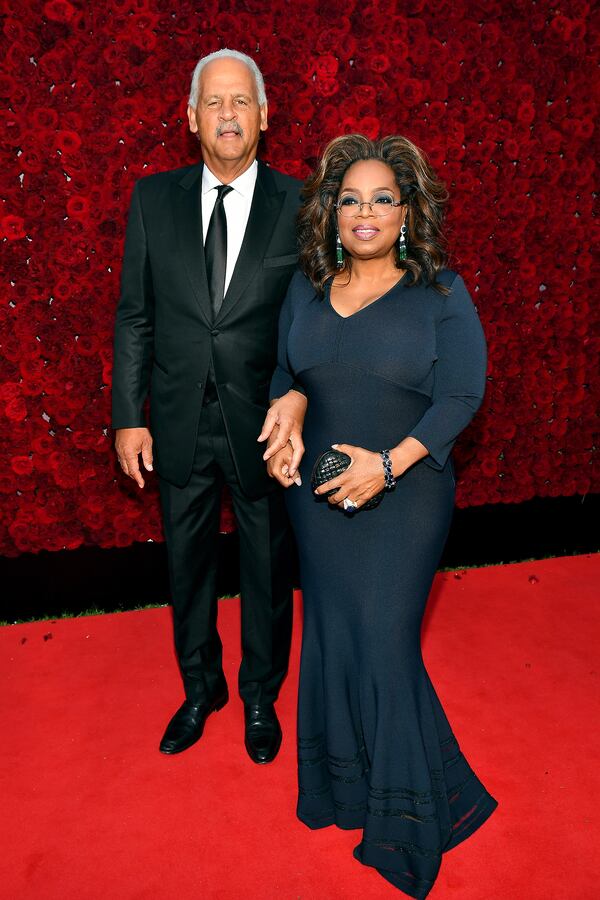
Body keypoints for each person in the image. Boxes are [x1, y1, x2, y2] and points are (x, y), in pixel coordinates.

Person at [264, 134, 498, 897]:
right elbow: (286, 368)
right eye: (351, 198)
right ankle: (347, 789)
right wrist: (288, 412)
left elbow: (462, 397)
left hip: (408, 489)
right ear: (332, 213)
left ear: (406, 215)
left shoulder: (440, 293)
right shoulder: (305, 286)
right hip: (320, 493)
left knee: (385, 640)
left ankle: (409, 819)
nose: (365, 211)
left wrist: (389, 463)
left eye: (382, 199)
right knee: (332, 633)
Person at [112, 49, 306, 764]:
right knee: (186, 565)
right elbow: (136, 316)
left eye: (241, 101)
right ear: (192, 118)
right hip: (175, 421)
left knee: (264, 564)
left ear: (264, 115)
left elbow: (316, 321)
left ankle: (260, 694)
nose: (228, 115)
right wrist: (128, 416)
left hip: (264, 425)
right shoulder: (151, 198)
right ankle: (201, 689)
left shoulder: (303, 202)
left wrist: (299, 399)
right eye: (214, 103)